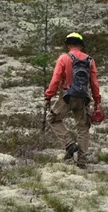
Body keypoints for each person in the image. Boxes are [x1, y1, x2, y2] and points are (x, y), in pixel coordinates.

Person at [44, 32, 103, 166]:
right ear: (81, 45)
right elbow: (94, 83)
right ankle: (82, 160)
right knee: (82, 128)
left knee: (52, 119)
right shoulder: (90, 60)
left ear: (68, 44)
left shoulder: (64, 58)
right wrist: (97, 102)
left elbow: (56, 79)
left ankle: (69, 144)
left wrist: (48, 95)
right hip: (84, 98)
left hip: (67, 96)